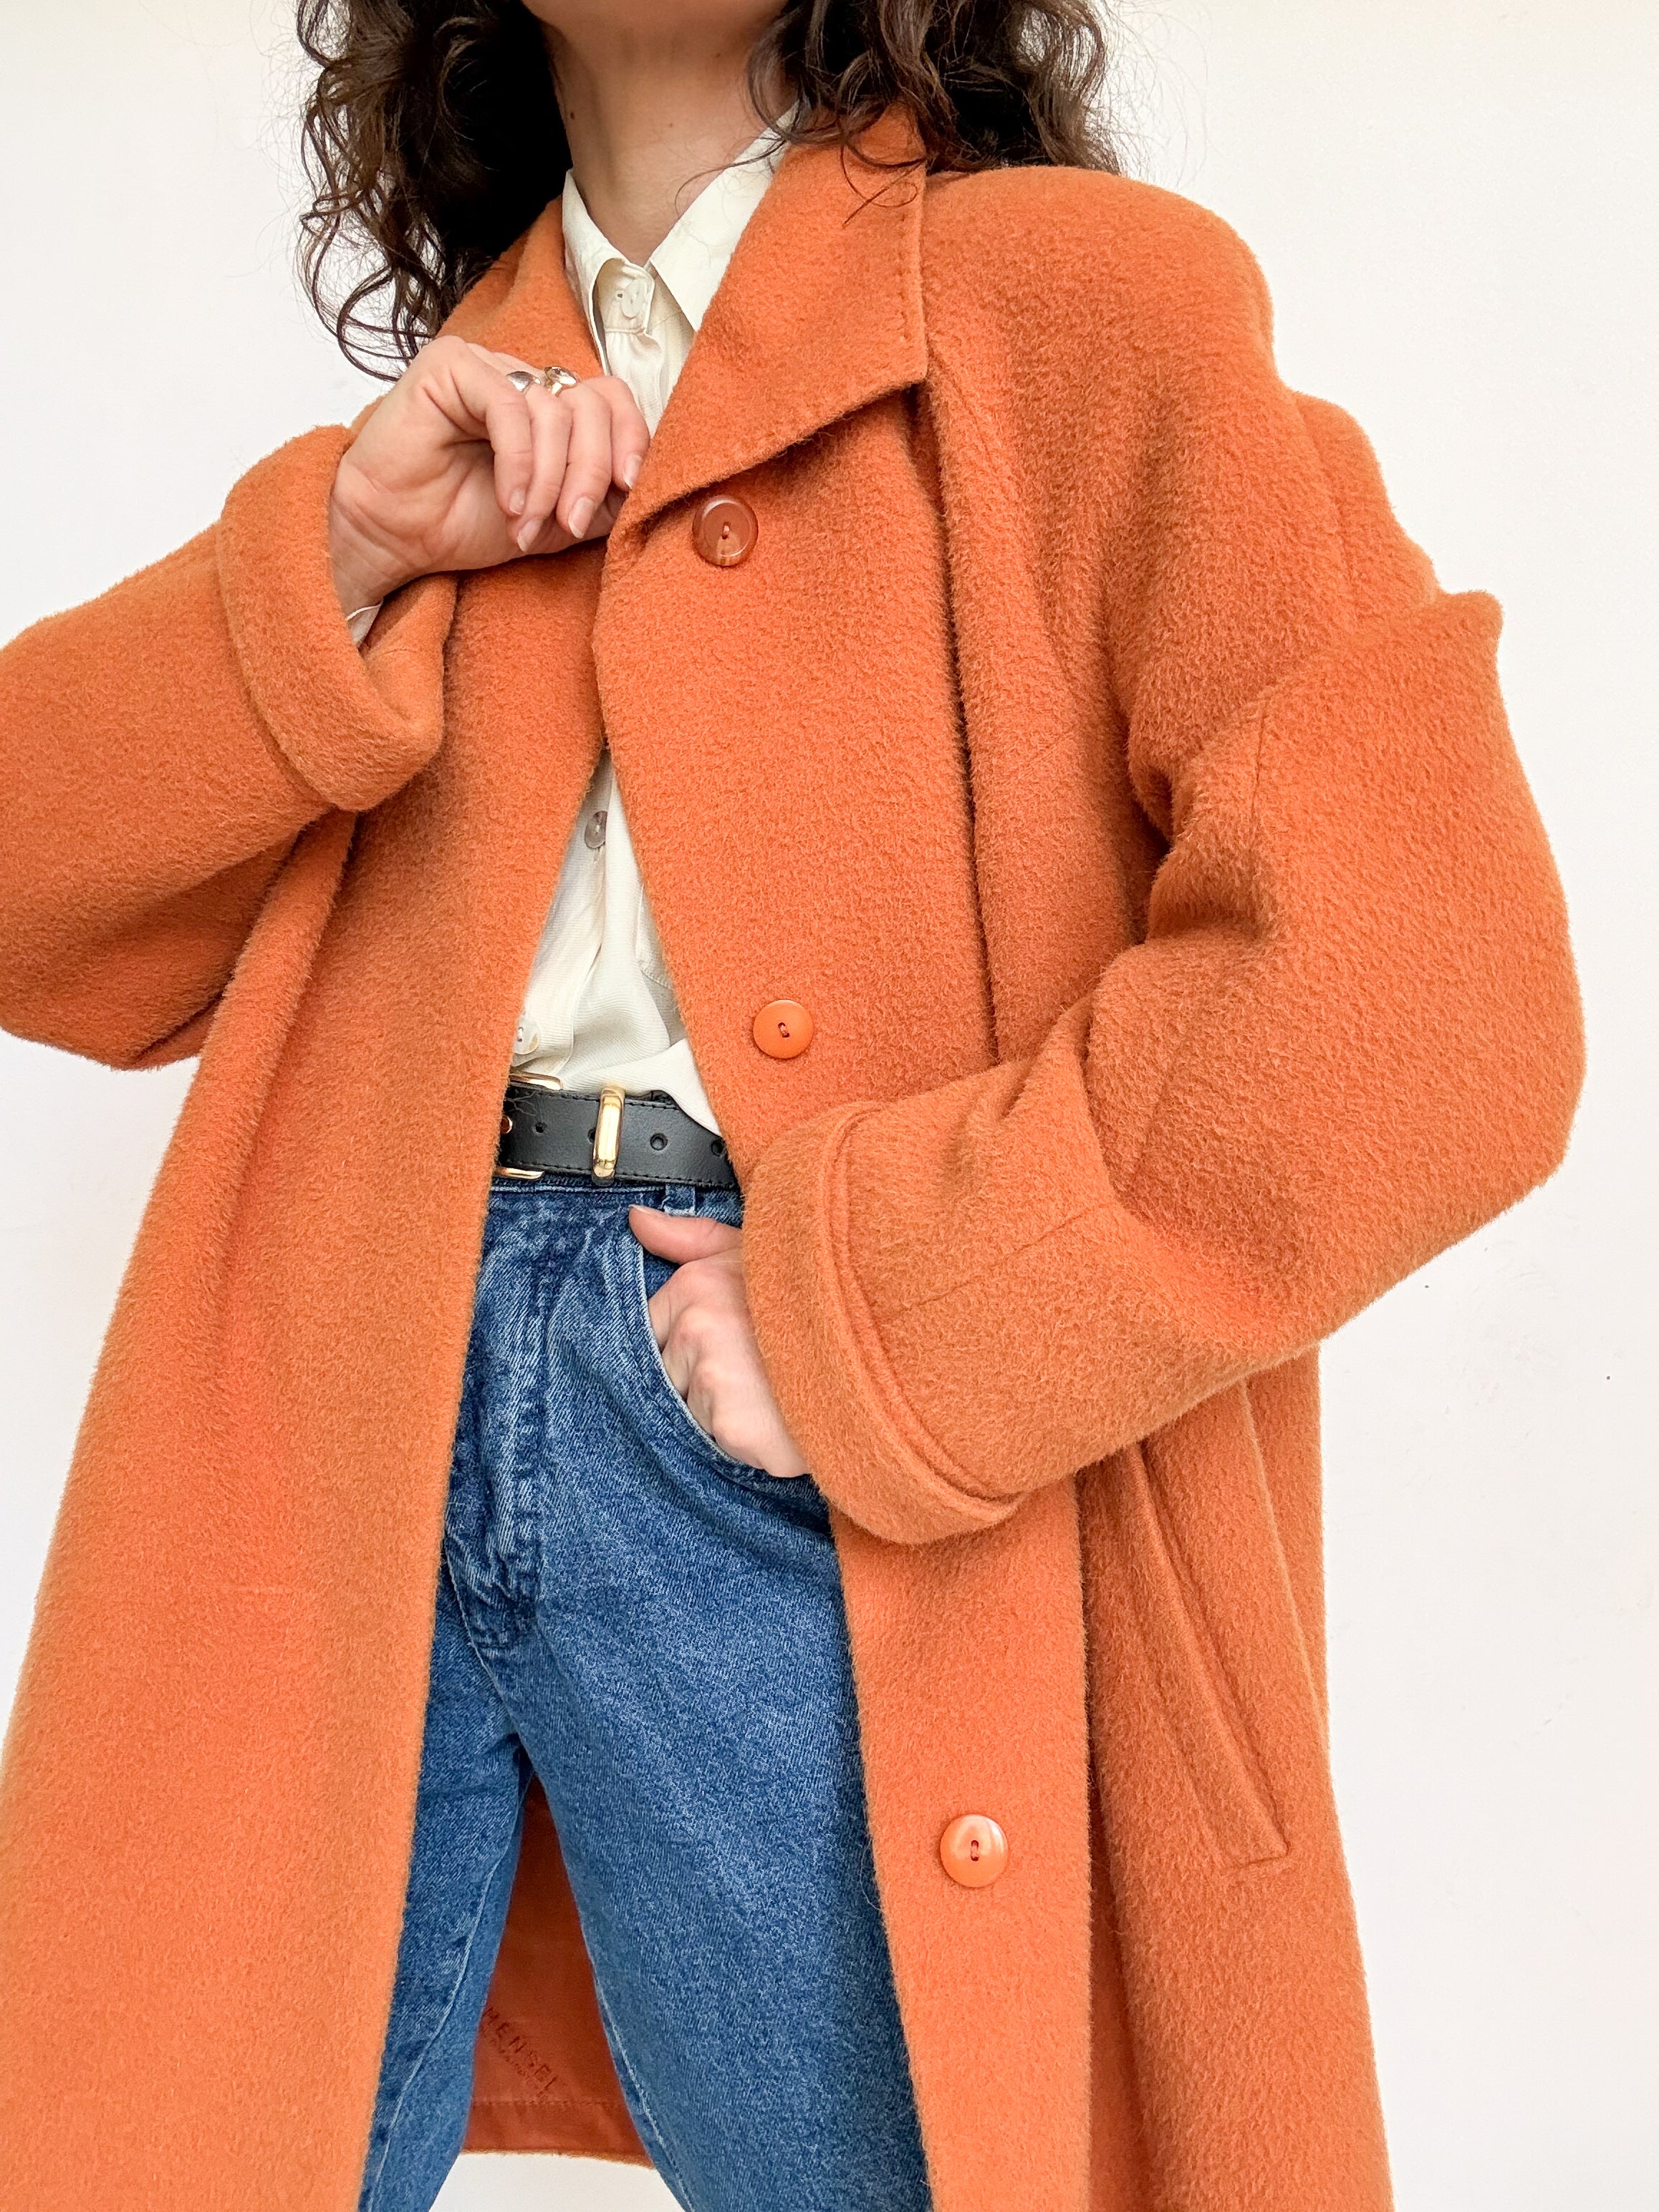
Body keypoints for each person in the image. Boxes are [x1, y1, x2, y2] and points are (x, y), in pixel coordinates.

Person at [0, 3, 1584, 2209]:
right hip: (331, 1438)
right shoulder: (465, 417)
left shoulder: (1085, 310)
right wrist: (335, 558)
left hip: (796, 1422)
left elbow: (1425, 986)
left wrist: (882, 1308)